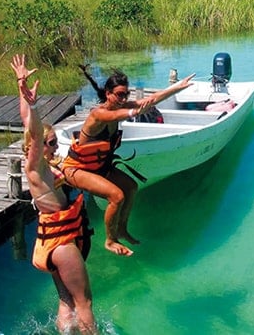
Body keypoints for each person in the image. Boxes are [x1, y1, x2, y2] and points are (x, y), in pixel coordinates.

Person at [62, 66, 195, 256]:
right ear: (108, 94)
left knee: (131, 187)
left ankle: (122, 229)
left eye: (126, 95)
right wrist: (133, 111)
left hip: (99, 167)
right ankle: (110, 240)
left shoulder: (120, 107)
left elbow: (150, 100)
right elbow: (116, 116)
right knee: (117, 196)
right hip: (78, 169)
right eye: (119, 95)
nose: (123, 99)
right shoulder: (98, 114)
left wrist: (177, 88)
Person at [11, 54, 96, 334]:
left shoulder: (43, 166)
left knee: (66, 300)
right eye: (51, 143)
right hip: (60, 242)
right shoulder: (35, 166)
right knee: (84, 301)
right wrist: (34, 106)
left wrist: (21, 86)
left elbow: (27, 123)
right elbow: (34, 133)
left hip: (51, 239)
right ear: (37, 147)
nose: (55, 147)